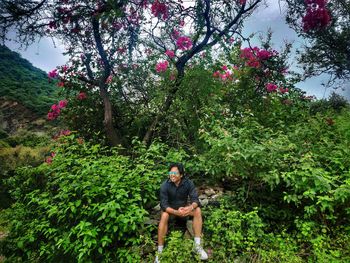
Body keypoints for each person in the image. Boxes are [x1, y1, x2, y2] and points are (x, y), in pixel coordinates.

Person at [155, 162, 208, 263]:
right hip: (170, 211)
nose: (172, 175)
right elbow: (164, 205)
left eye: (175, 173)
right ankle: (160, 252)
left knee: (197, 210)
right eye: (171, 172)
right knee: (164, 214)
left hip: (183, 210)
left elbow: (195, 200)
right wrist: (176, 212)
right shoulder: (164, 185)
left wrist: (189, 208)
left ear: (181, 175)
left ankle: (197, 247)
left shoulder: (188, 183)